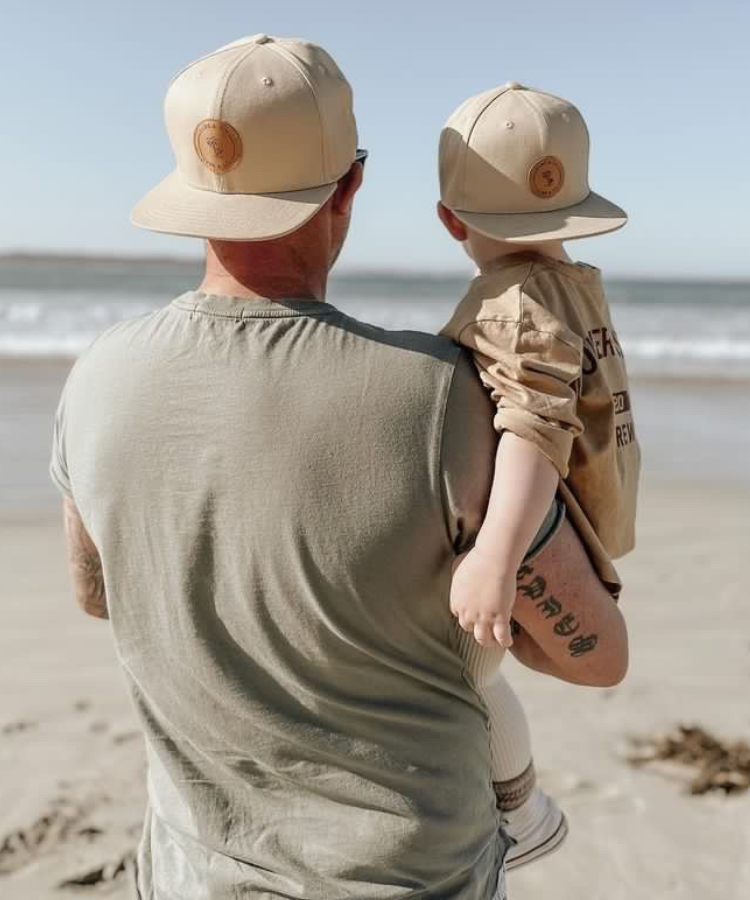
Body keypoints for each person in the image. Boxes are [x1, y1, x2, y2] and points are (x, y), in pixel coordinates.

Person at [49, 36, 628, 900]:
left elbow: (99, 593)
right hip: (410, 876)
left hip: (190, 871)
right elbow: (596, 657)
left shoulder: (95, 377)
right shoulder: (442, 395)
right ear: (350, 184)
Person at [435, 80, 642, 870]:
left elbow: (531, 430)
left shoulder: (513, 304)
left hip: (531, 525)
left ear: (450, 220)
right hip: (581, 519)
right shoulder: (573, 283)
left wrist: (495, 553)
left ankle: (518, 812)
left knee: (475, 672)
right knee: (502, 663)